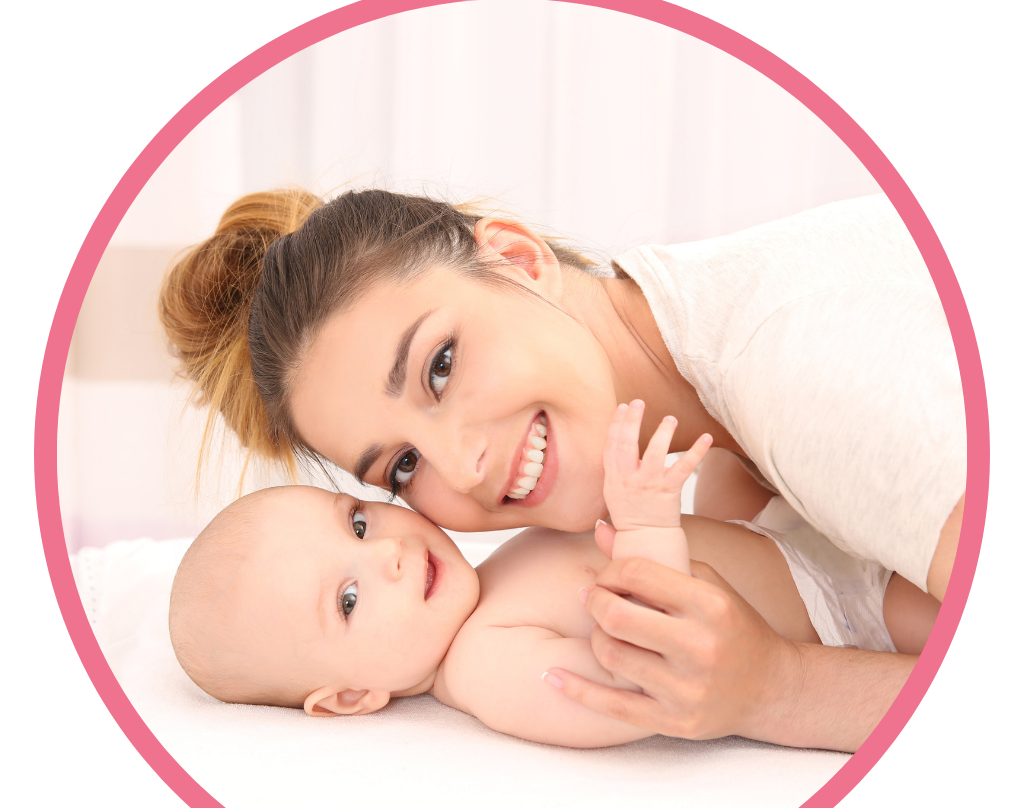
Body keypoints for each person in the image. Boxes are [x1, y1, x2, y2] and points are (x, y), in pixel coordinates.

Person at [159, 187, 965, 751]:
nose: (464, 467)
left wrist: (780, 688)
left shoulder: (804, 371)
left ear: (517, 257)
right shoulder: (715, 408)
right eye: (403, 467)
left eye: (440, 366)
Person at [169, 404, 938, 749]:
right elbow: (644, 682)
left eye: (359, 524)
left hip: (769, 547)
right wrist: (646, 526)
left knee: (750, 439)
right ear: (349, 696)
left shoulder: (483, 590)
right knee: (933, 602)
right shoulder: (487, 665)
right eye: (348, 599)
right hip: (839, 614)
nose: (388, 556)